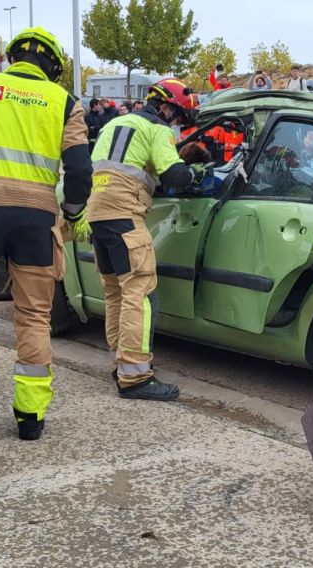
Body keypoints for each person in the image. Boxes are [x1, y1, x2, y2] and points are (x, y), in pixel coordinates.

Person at [0, 27, 92, 440]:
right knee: (33, 313)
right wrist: (72, 213)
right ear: (54, 68)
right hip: (38, 220)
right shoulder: (65, 102)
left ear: (13, 58)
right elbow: (79, 171)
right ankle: (30, 416)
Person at [84, 78, 207, 401]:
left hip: (97, 213)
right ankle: (136, 377)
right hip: (124, 215)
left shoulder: (116, 123)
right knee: (139, 293)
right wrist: (198, 171)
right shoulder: (157, 129)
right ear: (166, 107)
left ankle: (122, 363)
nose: (178, 126)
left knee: (115, 293)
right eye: (179, 118)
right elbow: (175, 176)